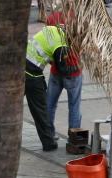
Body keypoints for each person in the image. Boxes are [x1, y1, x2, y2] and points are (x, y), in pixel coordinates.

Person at [25, 25, 76, 151]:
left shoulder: (54, 29)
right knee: (40, 110)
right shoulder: (61, 45)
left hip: (22, 63)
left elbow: (47, 50)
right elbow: (63, 69)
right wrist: (76, 67)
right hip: (31, 73)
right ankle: (49, 143)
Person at [46, 11, 82, 140]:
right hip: (74, 69)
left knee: (50, 104)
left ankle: (48, 135)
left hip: (56, 69)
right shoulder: (79, 18)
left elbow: (47, 43)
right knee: (74, 106)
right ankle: (74, 139)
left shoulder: (52, 18)